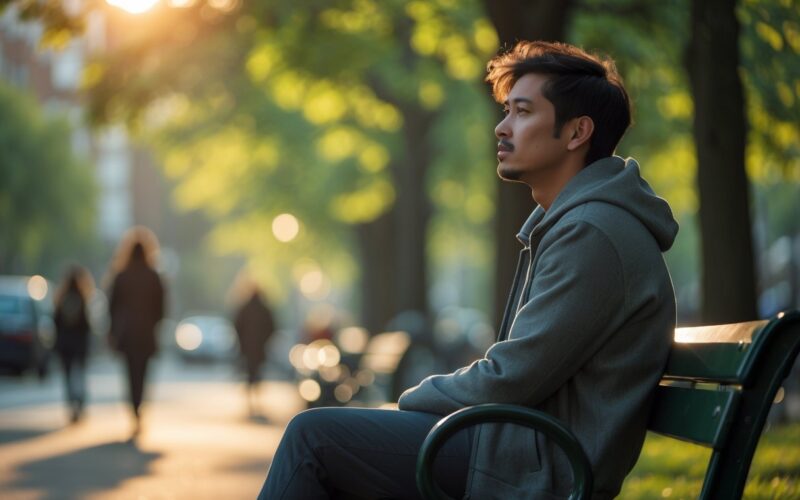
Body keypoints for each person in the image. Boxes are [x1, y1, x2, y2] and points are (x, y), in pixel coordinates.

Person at [258, 40, 678, 500]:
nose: (502, 128)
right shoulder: (581, 223)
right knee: (336, 442)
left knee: (313, 437)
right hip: (523, 445)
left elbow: (512, 376)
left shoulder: (592, 234)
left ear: (577, 132)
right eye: (506, 112)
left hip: (541, 466)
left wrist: (412, 398)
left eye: (522, 112)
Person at [107, 227, 166, 438]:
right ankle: (139, 408)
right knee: (142, 375)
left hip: (127, 335)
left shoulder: (121, 276)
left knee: (130, 374)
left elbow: (112, 307)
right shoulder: (154, 277)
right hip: (146, 335)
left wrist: (113, 332)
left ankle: (134, 410)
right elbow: (161, 309)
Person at [53, 265, 94, 423]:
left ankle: (71, 405)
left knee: (68, 376)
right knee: (80, 375)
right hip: (79, 345)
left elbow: (55, 321)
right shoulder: (82, 298)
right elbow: (87, 325)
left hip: (65, 345)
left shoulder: (61, 298)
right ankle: (80, 403)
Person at [234, 286, 276, 417]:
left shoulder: (244, 308)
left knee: (250, 376)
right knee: (257, 376)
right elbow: (272, 327)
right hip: (259, 349)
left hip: (248, 349)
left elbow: (237, 326)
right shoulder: (264, 309)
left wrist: (242, 343)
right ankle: (255, 404)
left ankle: (251, 405)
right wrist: (265, 341)